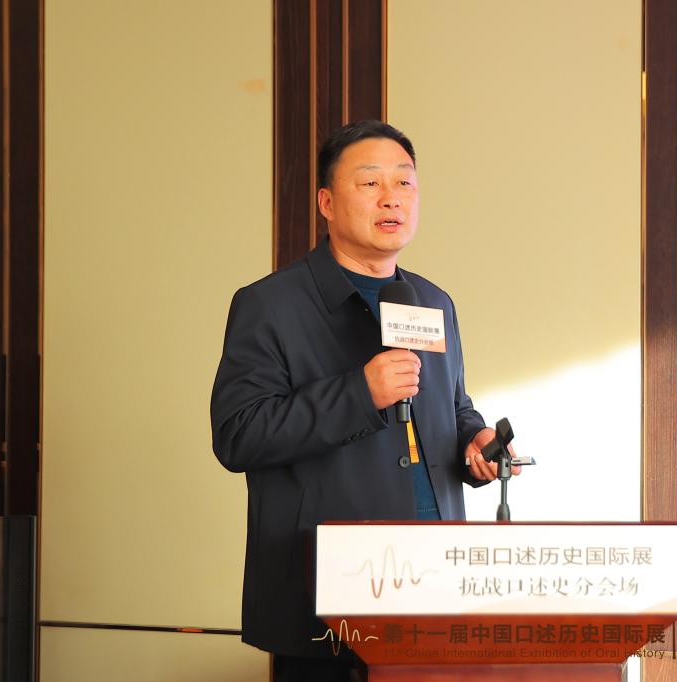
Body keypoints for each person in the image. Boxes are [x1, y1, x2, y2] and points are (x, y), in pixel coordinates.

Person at [210, 120, 516, 681]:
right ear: (327, 203)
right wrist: (360, 393)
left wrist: (474, 442)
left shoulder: (432, 301)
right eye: (371, 183)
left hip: (435, 584)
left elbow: (452, 408)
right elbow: (239, 435)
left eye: (405, 183)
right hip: (332, 590)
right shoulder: (270, 305)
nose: (391, 197)